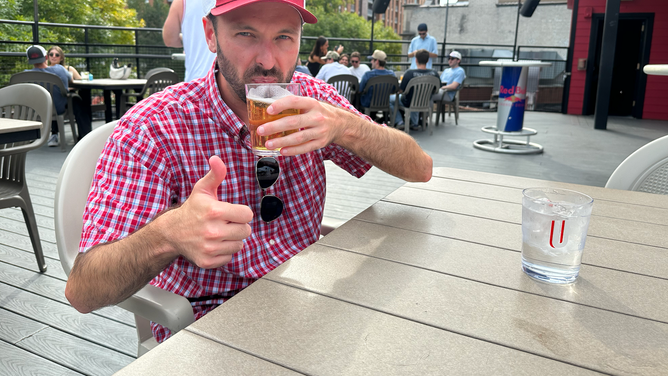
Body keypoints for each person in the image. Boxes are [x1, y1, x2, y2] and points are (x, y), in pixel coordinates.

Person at [65, 0, 432, 344]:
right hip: (206, 324)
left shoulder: (313, 101)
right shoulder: (156, 127)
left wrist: (345, 126)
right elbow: (83, 291)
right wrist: (168, 234)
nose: (269, 61)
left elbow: (420, 168)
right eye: (246, 34)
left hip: (308, 298)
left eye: (284, 37)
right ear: (211, 35)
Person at [25, 45, 92, 146]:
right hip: (59, 109)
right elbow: (71, 80)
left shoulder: (25, 75)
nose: (54, 56)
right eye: (51, 54)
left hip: (37, 111)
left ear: (28, 59)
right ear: (46, 57)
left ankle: (52, 135)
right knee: (76, 101)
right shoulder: (60, 69)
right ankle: (86, 138)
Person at [162, 0, 216, 81]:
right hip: (230, 82)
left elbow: (169, 39)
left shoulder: (182, 2)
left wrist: (190, 41)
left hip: (195, 82)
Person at [390, 49, 439, 129]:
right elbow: (436, 90)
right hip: (425, 102)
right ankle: (414, 123)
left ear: (416, 59)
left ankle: (400, 121)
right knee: (416, 97)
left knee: (390, 99)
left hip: (408, 102)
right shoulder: (434, 73)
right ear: (427, 60)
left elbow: (401, 90)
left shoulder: (409, 73)